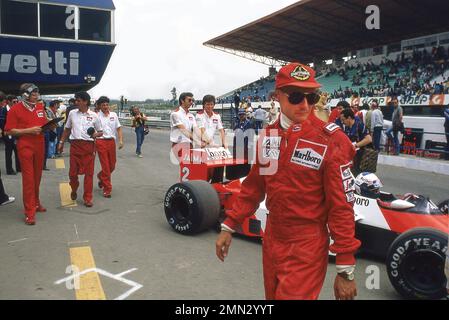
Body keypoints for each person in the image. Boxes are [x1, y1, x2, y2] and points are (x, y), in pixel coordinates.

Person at [216, 62, 361, 300]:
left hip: (307, 244)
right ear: (277, 97)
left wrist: (345, 267)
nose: (305, 105)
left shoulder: (332, 141)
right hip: (272, 238)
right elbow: (254, 188)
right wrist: (229, 225)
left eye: (311, 97)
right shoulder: (269, 136)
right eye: (295, 97)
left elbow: (342, 205)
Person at [4, 83, 54, 225]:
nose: (37, 96)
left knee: (37, 177)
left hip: (40, 144)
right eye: (33, 94)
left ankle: (36, 203)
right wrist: (28, 130)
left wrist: (50, 125)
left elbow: (42, 124)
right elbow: (8, 131)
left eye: (37, 94)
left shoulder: (39, 107)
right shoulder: (15, 109)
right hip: (25, 145)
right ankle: (29, 212)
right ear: (25, 95)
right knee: (28, 179)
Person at [57, 91, 103, 208]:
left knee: (89, 174)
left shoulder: (94, 116)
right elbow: (67, 129)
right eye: (76, 100)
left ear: (85, 101)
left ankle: (88, 198)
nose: (76, 102)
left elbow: (101, 132)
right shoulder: (72, 113)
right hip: (75, 146)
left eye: (78, 100)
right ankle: (74, 188)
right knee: (72, 174)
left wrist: (95, 135)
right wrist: (61, 142)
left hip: (89, 147)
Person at [95, 96, 123, 198]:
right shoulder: (96, 116)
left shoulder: (114, 115)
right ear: (99, 106)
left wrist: (120, 140)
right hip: (101, 141)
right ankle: (107, 189)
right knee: (106, 167)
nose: (106, 106)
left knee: (112, 166)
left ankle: (100, 176)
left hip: (111, 142)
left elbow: (118, 128)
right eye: (103, 105)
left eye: (107, 104)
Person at [340, 108, 373, 176]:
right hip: (352, 156)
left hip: (361, 156)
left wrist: (355, 146)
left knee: (358, 175)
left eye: (343, 120)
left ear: (349, 118)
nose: (342, 122)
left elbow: (369, 139)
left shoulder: (359, 125)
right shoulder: (347, 127)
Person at [170, 92, 200, 161]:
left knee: (192, 168)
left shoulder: (191, 115)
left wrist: (204, 139)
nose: (191, 102)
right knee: (186, 168)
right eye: (189, 100)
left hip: (189, 144)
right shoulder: (175, 114)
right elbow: (183, 130)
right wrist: (198, 140)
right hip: (179, 145)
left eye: (192, 100)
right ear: (182, 101)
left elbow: (196, 129)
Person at [0, 93, 21, 174]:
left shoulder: (16, 109)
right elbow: (2, 123)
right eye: (14, 101)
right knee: (8, 152)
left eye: (17, 101)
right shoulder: (3, 110)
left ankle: (19, 168)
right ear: (8, 101)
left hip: (16, 133)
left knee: (17, 151)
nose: (16, 103)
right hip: (8, 133)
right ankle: (9, 170)